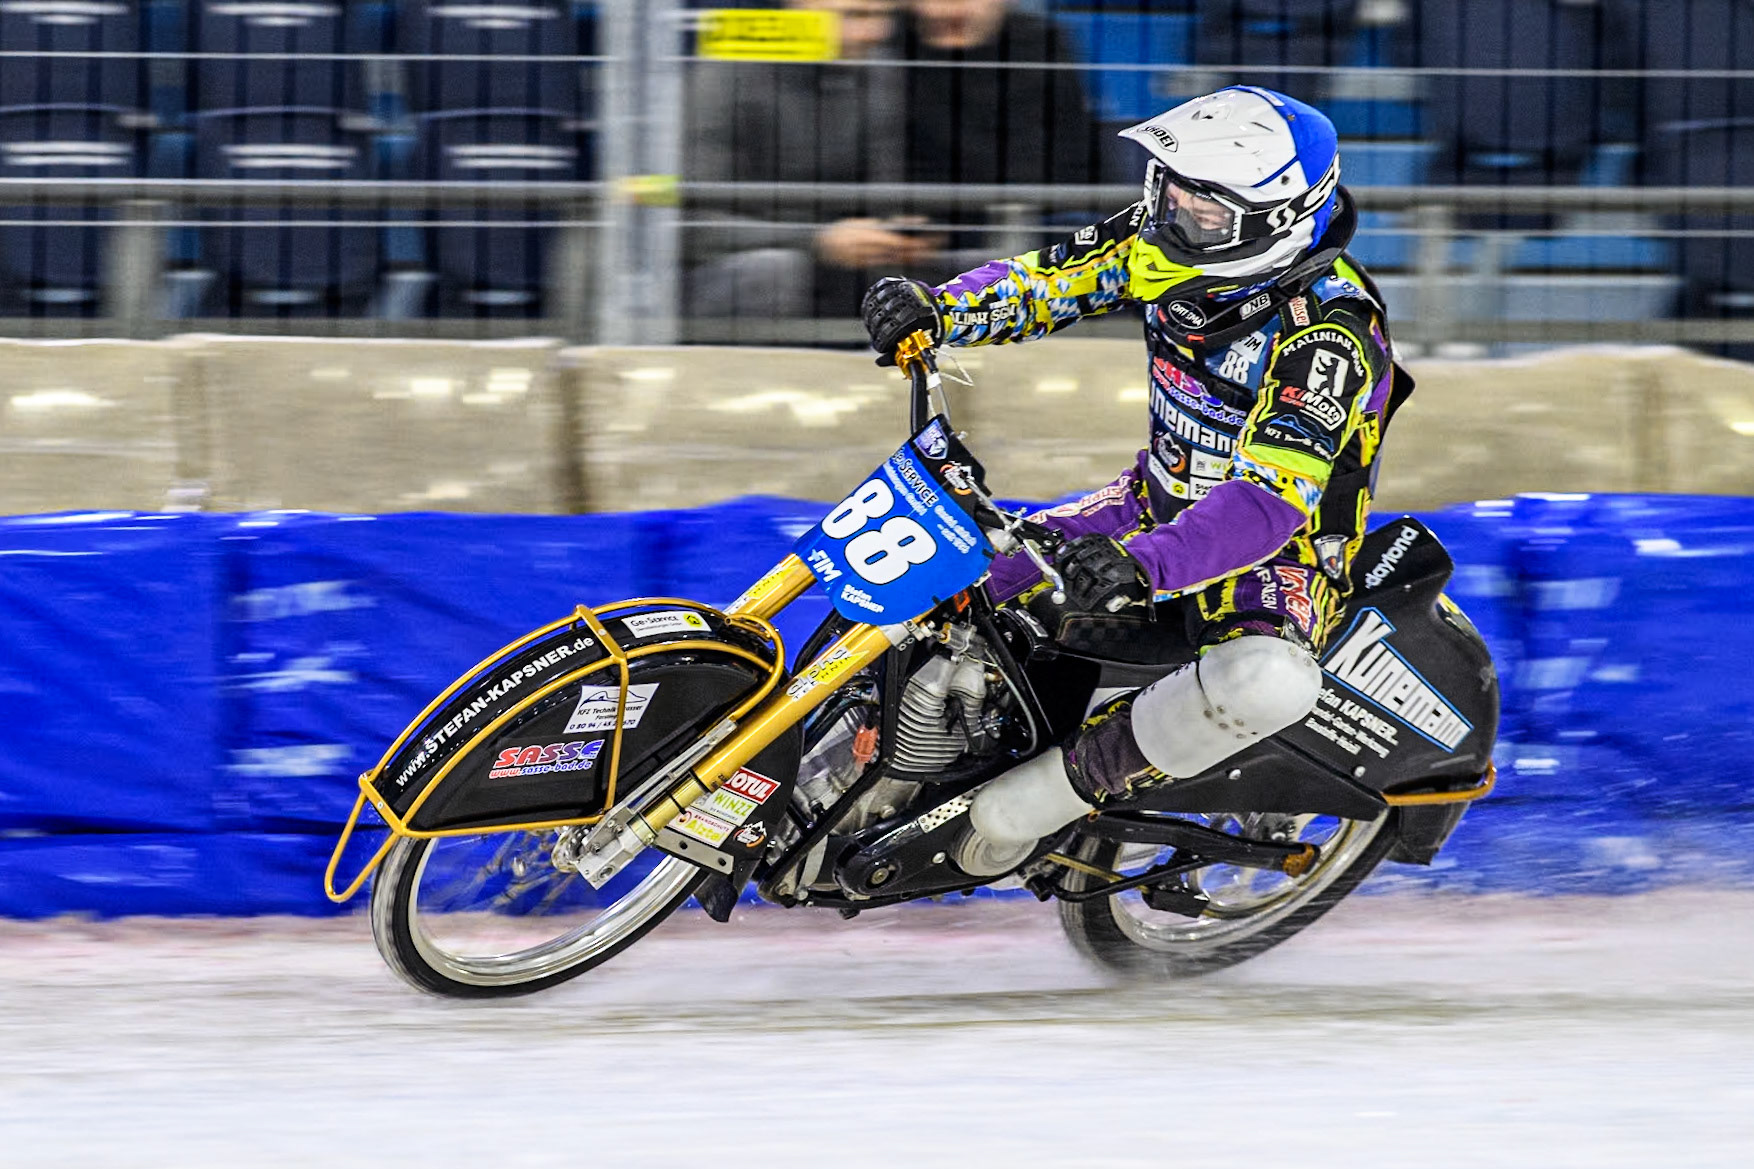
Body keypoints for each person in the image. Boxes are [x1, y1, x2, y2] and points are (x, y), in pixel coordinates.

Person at [859, 86, 1410, 868]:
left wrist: (1143, 565)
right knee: (953, 573)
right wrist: (937, 310)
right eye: (1168, 186)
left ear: (1275, 221)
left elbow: (1266, 505)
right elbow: (1049, 279)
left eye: (1202, 205)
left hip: (1273, 556)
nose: (1172, 210)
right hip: (1148, 503)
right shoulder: (1167, 240)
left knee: (1267, 681)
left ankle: (1034, 804)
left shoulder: (1330, 335)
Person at [684, 0, 936, 322]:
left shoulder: (880, 73)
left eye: (884, 16)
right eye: (855, 16)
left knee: (959, 272)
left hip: (832, 266)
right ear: (797, 10)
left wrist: (896, 232)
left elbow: (884, 193)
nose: (876, 33)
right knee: (774, 270)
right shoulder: (725, 75)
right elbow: (695, 228)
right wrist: (817, 239)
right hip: (725, 270)